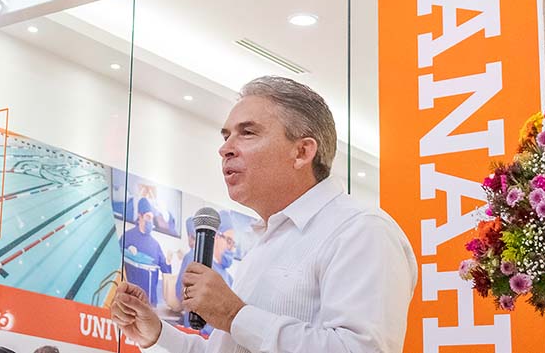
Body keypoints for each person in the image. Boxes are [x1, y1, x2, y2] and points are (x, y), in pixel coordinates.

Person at [111, 76, 416, 353]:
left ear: (302, 152)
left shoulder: (361, 230)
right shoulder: (265, 244)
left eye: (247, 133)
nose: (225, 149)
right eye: (226, 136)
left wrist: (235, 315)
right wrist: (157, 334)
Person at [121, 208, 171, 302]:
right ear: (140, 216)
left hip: (150, 298)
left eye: (152, 218)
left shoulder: (154, 244)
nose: (150, 221)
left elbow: (165, 269)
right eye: (148, 217)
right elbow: (116, 262)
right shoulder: (128, 236)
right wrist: (127, 249)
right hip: (131, 297)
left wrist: (168, 261)